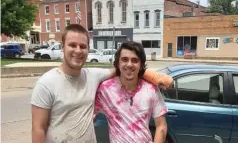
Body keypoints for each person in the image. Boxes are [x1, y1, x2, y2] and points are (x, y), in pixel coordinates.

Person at [31, 24, 172, 143]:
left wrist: (153, 76)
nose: (78, 51)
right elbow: (38, 129)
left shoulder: (93, 77)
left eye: (83, 46)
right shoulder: (47, 83)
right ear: (62, 47)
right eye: (72, 45)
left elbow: (161, 126)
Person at [95, 41, 168, 143]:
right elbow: (88, 117)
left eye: (135, 60)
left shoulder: (151, 90)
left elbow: (161, 126)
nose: (129, 64)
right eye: (124, 59)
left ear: (141, 64)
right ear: (118, 63)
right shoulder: (105, 90)